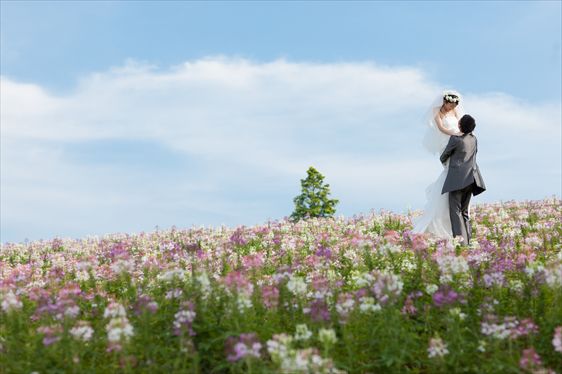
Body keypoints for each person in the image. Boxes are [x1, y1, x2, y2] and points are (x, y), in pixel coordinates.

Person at [411, 91, 464, 240]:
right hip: (445, 141)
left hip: (456, 140)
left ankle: (451, 205)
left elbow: (460, 123)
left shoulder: (455, 110)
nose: (451, 107)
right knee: (449, 170)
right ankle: (439, 211)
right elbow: (440, 127)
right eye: (449, 104)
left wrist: (460, 135)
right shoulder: (437, 111)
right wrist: (453, 134)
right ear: (445, 102)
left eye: (453, 105)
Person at [440, 114, 486, 245]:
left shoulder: (455, 139)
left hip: (457, 181)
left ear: (460, 125)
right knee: (465, 212)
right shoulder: (474, 139)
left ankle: (460, 243)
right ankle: (468, 241)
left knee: (455, 212)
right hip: (472, 179)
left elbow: (444, 156)